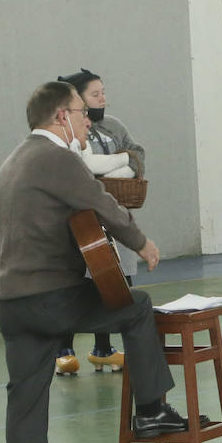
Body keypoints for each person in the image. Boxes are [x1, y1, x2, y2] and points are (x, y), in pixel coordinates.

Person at [0, 80, 195, 443]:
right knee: (136, 306)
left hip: (11, 303)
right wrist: (142, 243)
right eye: (83, 113)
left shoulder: (14, 161)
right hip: (49, 298)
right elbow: (101, 204)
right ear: (61, 116)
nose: (89, 120)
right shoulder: (57, 158)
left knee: (24, 405)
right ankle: (151, 408)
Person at [51, 68, 146, 377]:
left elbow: (136, 156)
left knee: (115, 281)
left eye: (103, 92)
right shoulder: (70, 131)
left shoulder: (115, 126)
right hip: (80, 221)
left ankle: (103, 348)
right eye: (95, 94)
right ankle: (63, 348)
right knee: (78, 283)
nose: (102, 98)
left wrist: (115, 173)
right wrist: (119, 164)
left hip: (115, 215)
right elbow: (85, 168)